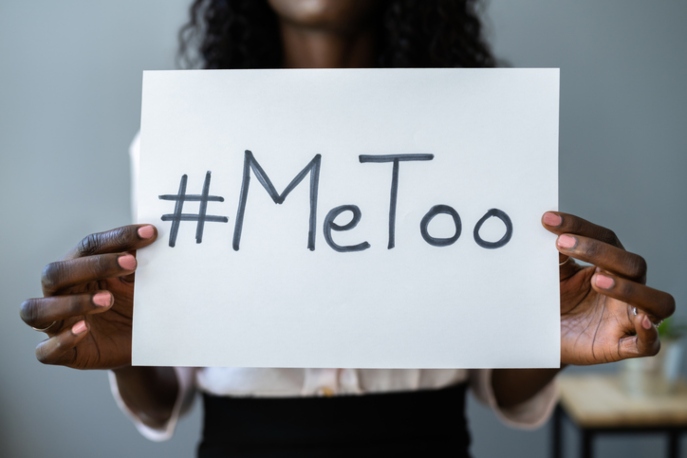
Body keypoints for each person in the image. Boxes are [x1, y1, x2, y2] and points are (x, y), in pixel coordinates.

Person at [20, 0, 676, 456]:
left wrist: (547, 340)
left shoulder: (481, 135)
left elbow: (496, 386)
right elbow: (171, 393)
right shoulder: (186, 140)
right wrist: (133, 351)